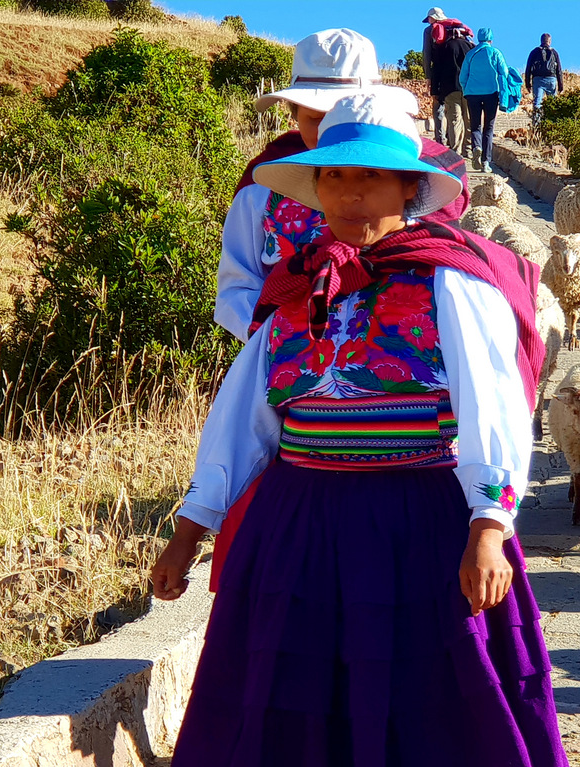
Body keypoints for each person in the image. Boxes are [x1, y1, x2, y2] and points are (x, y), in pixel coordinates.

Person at [153, 92, 571, 767]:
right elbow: (245, 414)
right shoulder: (296, 283)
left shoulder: (451, 278)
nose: (346, 188)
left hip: (414, 520)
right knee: (290, 708)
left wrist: (489, 521)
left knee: (401, 714)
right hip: (298, 518)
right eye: (331, 173)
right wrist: (194, 522)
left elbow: (495, 400)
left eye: (368, 174)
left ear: (407, 188)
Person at [200, 28, 471, 592]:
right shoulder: (259, 195)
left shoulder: (403, 188)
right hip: (288, 395)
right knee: (276, 543)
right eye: (308, 115)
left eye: (333, 113)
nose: (320, 129)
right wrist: (288, 328)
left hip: (406, 428)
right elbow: (236, 287)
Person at [420, 7, 474, 157]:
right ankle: (467, 149)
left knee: (446, 113)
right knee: (467, 117)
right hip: (466, 85)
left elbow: (428, 56)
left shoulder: (431, 32)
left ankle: (442, 142)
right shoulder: (462, 35)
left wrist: (430, 78)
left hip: (446, 82)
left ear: (433, 18)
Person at [458, 27, 510, 173]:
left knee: (475, 125)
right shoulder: (495, 53)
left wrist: (466, 89)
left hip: (472, 94)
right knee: (489, 126)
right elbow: (504, 72)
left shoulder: (471, 54)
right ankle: (486, 162)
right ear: (490, 39)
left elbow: (463, 77)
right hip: (491, 93)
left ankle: (476, 147)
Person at [523, 33, 563, 120]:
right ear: (550, 41)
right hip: (551, 79)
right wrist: (560, 85)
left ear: (541, 41)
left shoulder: (534, 52)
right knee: (553, 103)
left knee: (537, 102)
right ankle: (553, 122)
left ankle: (536, 123)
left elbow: (528, 68)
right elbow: (559, 70)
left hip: (537, 80)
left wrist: (527, 84)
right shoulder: (554, 52)